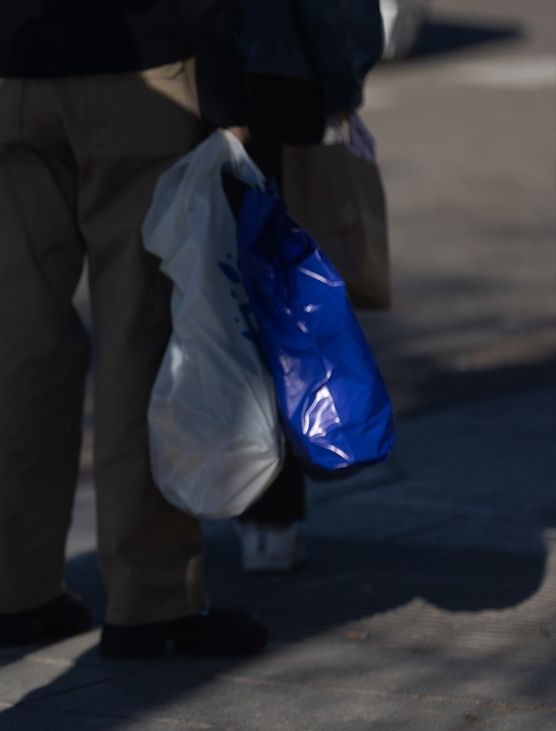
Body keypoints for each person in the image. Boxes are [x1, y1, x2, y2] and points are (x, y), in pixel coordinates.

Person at [0, 1, 270, 658]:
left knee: (21, 336)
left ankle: (20, 594)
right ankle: (152, 598)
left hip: (13, 66)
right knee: (141, 332)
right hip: (140, 68)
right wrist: (225, 95)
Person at [236, 0, 385, 573]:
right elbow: (336, 13)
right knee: (284, 307)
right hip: (281, 90)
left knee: (216, 296)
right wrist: (343, 86)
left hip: (190, 88)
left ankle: (214, 494)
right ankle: (271, 519)